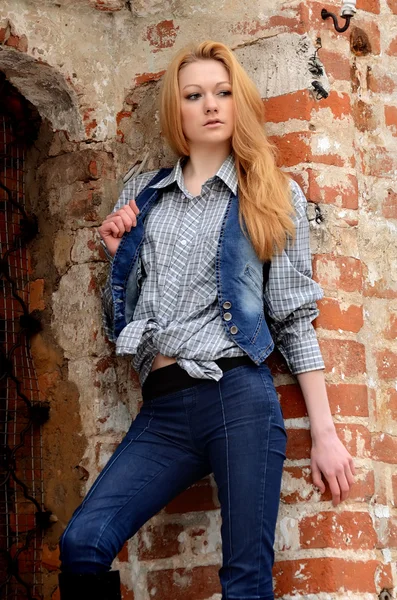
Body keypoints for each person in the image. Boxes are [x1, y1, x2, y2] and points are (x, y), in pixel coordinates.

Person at [58, 40, 355, 600]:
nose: (211, 105)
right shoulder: (142, 198)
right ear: (177, 110)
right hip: (164, 408)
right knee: (84, 542)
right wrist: (114, 255)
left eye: (223, 93)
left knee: (245, 580)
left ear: (238, 104)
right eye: (194, 95)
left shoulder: (270, 195)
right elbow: (116, 324)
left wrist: (326, 433)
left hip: (237, 398)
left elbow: (293, 317)